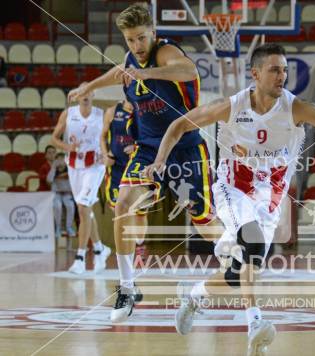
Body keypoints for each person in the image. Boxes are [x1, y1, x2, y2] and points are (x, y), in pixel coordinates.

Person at [145, 43, 315, 356]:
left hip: (270, 198)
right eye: (275, 70)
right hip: (233, 188)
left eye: (285, 70)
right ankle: (255, 323)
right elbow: (179, 124)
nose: (282, 76)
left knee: (238, 273)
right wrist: (159, 161)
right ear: (256, 74)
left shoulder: (297, 108)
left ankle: (194, 295)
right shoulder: (231, 106)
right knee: (253, 244)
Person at [68, 3, 218, 323]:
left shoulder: (164, 53)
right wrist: (89, 87)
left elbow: (188, 70)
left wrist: (147, 73)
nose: (136, 45)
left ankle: (236, 255)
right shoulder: (129, 59)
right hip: (148, 148)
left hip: (185, 147)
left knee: (205, 224)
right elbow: (117, 71)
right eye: (130, 40)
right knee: (123, 203)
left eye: (141, 38)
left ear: (153, 32)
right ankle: (126, 287)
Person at [51, 84, 111, 275]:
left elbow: (111, 138)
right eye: (81, 92)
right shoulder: (68, 113)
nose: (85, 95)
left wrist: (107, 152)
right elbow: (54, 139)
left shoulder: (101, 114)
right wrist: (67, 147)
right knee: (85, 210)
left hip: (95, 166)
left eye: (88, 92)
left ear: (93, 94)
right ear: (76, 96)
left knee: (83, 207)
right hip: (74, 165)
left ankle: (80, 257)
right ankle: (101, 248)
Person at [101, 100, 147, 260]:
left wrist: (136, 148)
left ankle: (140, 243)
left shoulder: (143, 109)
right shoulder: (113, 111)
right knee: (120, 210)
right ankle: (127, 252)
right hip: (116, 168)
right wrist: (105, 154)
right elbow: (102, 136)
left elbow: (150, 137)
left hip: (137, 166)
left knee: (139, 213)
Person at [47, 152, 76, 239]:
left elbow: (75, 180)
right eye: (58, 159)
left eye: (62, 159)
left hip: (67, 193)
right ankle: (58, 228)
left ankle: (69, 227)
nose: (60, 162)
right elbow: (49, 180)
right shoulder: (54, 170)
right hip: (56, 193)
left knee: (70, 205)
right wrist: (53, 167)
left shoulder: (70, 169)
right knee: (57, 206)